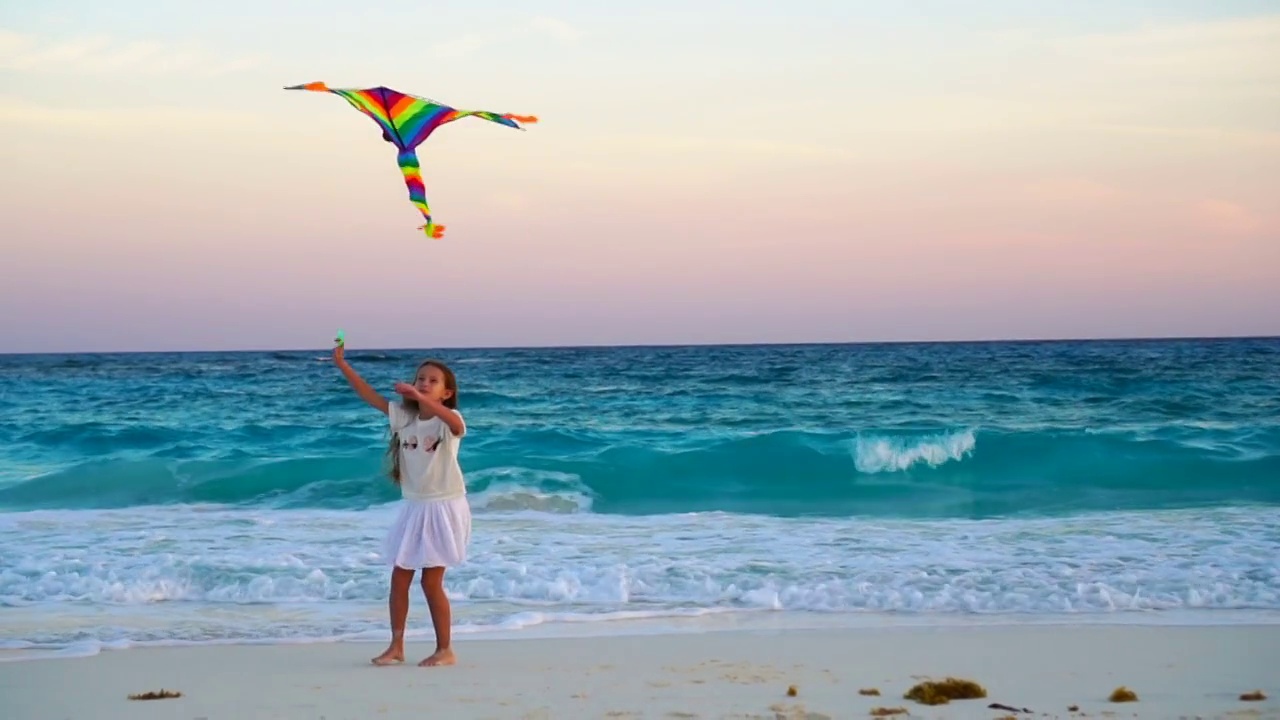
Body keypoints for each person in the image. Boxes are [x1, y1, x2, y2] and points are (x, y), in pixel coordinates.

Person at [333, 340, 471, 667]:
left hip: (443, 506)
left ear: (446, 393)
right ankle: (396, 646)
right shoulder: (404, 419)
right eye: (421, 378)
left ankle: (445, 649)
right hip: (414, 506)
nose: (424, 382)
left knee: (431, 580)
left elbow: (456, 426)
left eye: (432, 381)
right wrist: (343, 365)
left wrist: (421, 399)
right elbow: (369, 396)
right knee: (399, 576)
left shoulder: (448, 419)